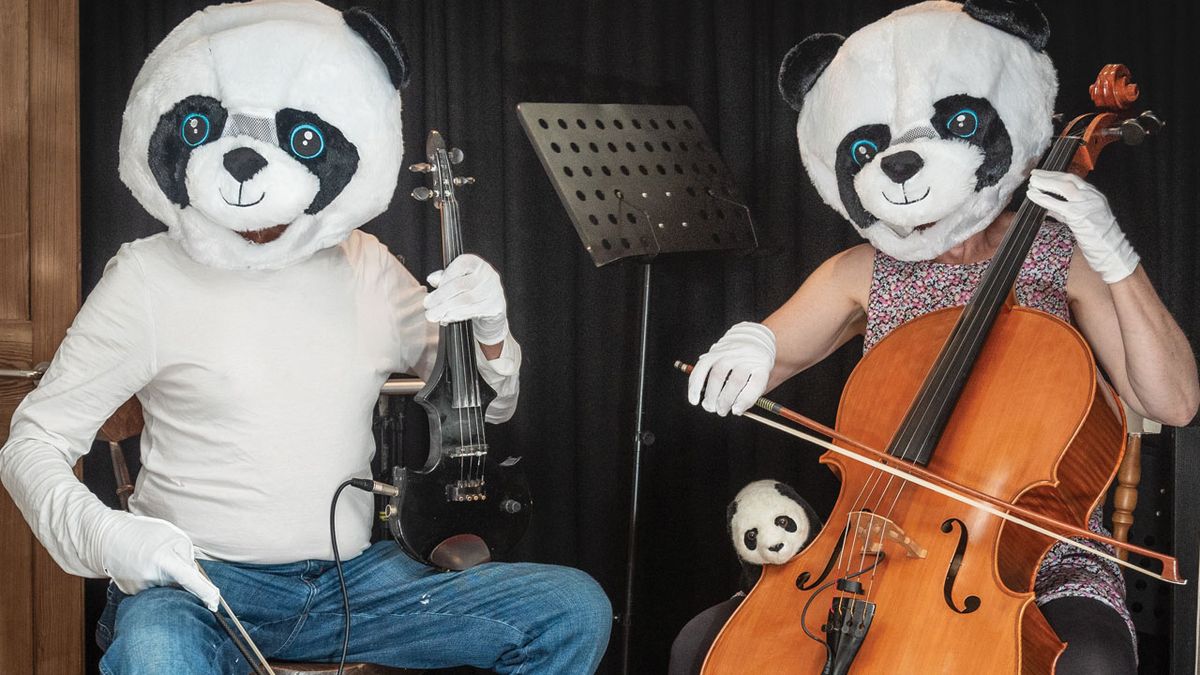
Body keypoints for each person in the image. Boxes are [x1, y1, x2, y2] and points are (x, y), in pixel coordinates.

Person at [0, 2, 610, 673]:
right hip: (198, 586)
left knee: (571, 608)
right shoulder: (145, 276)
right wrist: (110, 537)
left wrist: (490, 334)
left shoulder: (367, 264)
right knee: (155, 653)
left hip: (355, 584)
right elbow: (31, 442)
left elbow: (487, 405)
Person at [676, 1, 1199, 673]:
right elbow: (775, 355)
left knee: (1087, 663)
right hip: (867, 551)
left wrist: (1118, 261)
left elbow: (1175, 401)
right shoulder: (865, 270)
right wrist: (748, 349)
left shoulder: (1060, 255)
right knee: (701, 646)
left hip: (1038, 557)